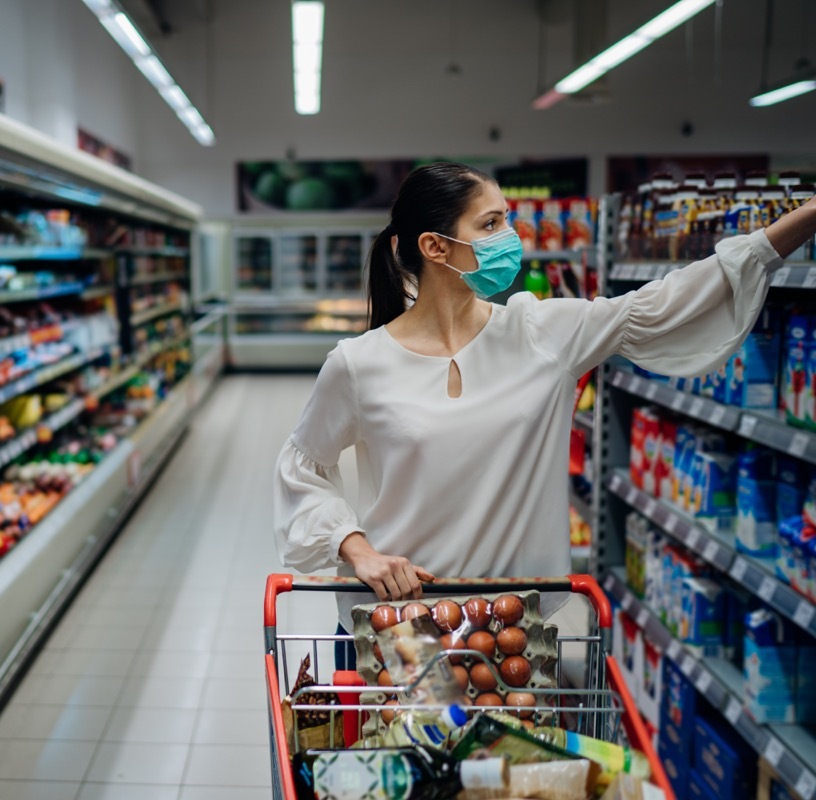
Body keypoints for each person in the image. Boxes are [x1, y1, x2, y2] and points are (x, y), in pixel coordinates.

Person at [273, 162, 816, 669]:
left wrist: (797, 224)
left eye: (508, 220)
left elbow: (670, 300)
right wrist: (355, 547)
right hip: (395, 625)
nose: (513, 238)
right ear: (435, 247)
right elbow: (301, 468)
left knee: (517, 771)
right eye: (491, 224)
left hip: (514, 632)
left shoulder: (541, 334)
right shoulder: (358, 364)